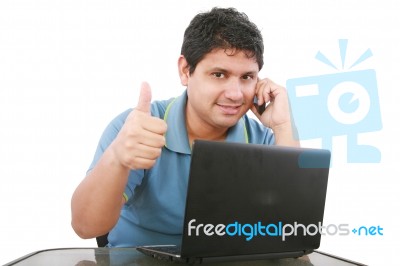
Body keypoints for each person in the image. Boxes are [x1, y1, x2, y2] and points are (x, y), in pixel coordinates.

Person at [71, 7, 299, 247]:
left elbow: (292, 232)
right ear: (185, 71)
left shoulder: (262, 139)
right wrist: (117, 157)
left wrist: (283, 126)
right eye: (219, 74)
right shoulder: (137, 128)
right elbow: (85, 227)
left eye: (247, 77)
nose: (235, 94)